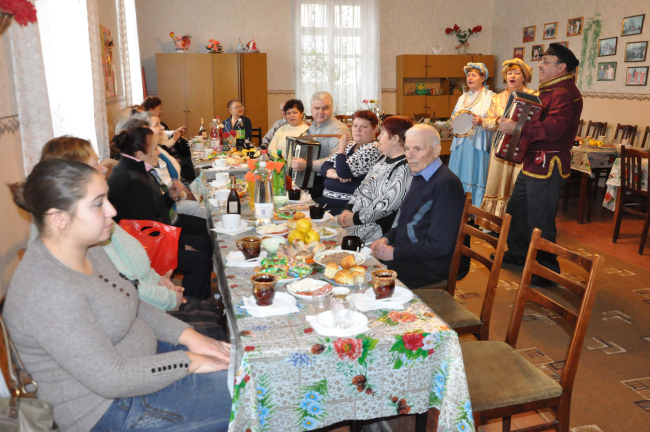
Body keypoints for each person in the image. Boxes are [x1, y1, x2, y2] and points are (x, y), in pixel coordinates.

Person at [5, 159, 231, 432]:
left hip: (139, 367)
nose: (112, 210)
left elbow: (132, 302)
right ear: (58, 218)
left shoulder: (89, 249)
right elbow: (111, 379)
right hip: (109, 409)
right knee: (251, 395)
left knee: (241, 371)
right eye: (98, 203)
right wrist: (190, 361)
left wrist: (191, 337)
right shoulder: (47, 290)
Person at [37, 136, 227, 341]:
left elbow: (134, 264)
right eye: (95, 164)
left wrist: (160, 281)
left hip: (151, 289)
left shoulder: (130, 182)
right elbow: (130, 289)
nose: (104, 168)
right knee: (213, 324)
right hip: (143, 315)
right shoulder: (89, 231)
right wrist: (170, 296)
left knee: (212, 310)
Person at [497, 43, 582, 279]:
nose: (540, 66)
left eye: (545, 62)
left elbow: (554, 129)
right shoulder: (551, 90)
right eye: (541, 61)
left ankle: (545, 268)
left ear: (562, 67)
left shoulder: (563, 93)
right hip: (534, 163)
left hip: (548, 165)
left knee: (540, 219)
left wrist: (517, 127)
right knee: (517, 210)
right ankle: (518, 254)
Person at [108, 127, 213, 300]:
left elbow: (153, 210)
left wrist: (170, 197)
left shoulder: (136, 170)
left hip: (150, 238)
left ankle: (199, 297)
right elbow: (148, 229)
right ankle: (190, 304)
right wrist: (179, 247)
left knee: (203, 241)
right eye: (155, 148)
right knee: (199, 261)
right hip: (143, 250)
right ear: (140, 154)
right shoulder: (133, 181)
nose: (158, 152)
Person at [369, 125, 466, 289]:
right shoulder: (421, 175)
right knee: (359, 265)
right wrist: (386, 238)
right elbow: (407, 223)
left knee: (366, 279)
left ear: (436, 150)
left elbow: (440, 246)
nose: (409, 155)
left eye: (417, 149)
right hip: (408, 255)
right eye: (407, 148)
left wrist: (393, 253)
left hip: (427, 266)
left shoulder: (446, 184)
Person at [477, 59, 537, 232]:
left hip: (522, 147)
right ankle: (493, 223)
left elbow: (536, 120)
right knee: (497, 182)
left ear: (524, 77)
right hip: (499, 146)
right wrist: (497, 121)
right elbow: (486, 122)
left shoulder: (534, 95)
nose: (512, 76)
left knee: (518, 184)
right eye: (509, 73)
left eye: (517, 73)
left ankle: (516, 226)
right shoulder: (497, 98)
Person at [337, 116, 414, 243]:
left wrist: (354, 219)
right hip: (355, 220)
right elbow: (363, 187)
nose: (378, 137)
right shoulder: (383, 158)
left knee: (332, 243)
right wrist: (347, 209)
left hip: (375, 230)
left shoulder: (404, 168)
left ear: (395, 139)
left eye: (382, 133)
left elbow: (386, 206)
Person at [129, 112, 207, 219]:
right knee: (205, 208)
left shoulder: (159, 148)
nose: (162, 128)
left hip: (178, 193)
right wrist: (189, 195)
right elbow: (167, 188)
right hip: (172, 205)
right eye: (157, 125)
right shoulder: (151, 155)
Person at [315, 110, 382, 215]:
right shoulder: (351, 145)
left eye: (364, 127)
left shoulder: (373, 148)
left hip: (347, 206)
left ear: (375, 129)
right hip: (328, 200)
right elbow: (325, 166)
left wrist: (341, 149)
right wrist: (335, 174)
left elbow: (344, 172)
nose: (357, 130)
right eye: (355, 126)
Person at [448, 62, 495, 207]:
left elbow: (494, 121)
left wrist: (481, 121)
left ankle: (475, 209)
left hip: (478, 143)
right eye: (468, 75)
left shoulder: (491, 97)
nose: (470, 78)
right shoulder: (462, 97)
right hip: (461, 142)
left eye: (474, 75)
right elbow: (454, 116)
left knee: (475, 174)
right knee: (459, 173)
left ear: (483, 78)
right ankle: (457, 207)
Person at [290, 91, 349, 198]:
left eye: (325, 108)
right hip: (308, 177)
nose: (320, 112)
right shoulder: (311, 127)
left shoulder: (339, 129)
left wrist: (307, 165)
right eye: (317, 108)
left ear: (332, 108)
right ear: (311, 109)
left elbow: (335, 161)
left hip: (327, 180)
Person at [141, 96, 195, 182]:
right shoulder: (154, 150)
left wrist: (175, 132)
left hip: (175, 179)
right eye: (158, 109)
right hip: (175, 172)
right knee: (191, 161)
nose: (162, 128)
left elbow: (165, 133)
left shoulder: (158, 141)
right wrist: (174, 139)